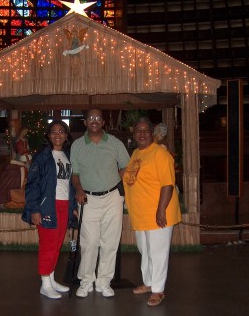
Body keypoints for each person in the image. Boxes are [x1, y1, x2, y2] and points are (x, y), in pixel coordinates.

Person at [70, 108, 130, 298]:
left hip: (112, 197)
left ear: (103, 122)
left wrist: (114, 181)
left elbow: (126, 166)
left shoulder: (114, 143)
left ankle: (104, 281)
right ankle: (87, 281)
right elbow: (75, 174)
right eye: (91, 118)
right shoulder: (77, 145)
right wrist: (79, 190)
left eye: (98, 118)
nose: (94, 121)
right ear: (85, 122)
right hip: (87, 198)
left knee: (110, 241)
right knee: (90, 242)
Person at [123, 117, 181, 307]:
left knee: (158, 253)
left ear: (152, 133)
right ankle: (148, 283)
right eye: (138, 130)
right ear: (134, 134)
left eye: (145, 130)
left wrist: (161, 210)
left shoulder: (160, 154)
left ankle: (158, 290)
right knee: (145, 251)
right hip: (141, 215)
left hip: (158, 214)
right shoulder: (136, 154)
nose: (141, 133)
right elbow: (131, 176)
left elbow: (167, 184)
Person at [22, 120, 77, 299]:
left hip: (64, 206)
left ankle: (51, 279)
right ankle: (45, 284)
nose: (57, 135)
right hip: (47, 207)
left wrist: (74, 207)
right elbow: (32, 185)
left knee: (57, 244)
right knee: (48, 245)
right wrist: (34, 209)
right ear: (48, 135)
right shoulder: (42, 157)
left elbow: (72, 184)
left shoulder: (69, 155)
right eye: (54, 132)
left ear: (66, 135)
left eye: (61, 131)